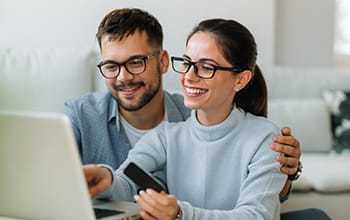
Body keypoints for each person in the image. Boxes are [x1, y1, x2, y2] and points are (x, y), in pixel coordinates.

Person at [64, 8, 301, 200]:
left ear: (164, 62)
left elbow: (258, 203)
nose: (123, 77)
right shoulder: (82, 116)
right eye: (111, 66)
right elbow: (124, 180)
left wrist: (284, 172)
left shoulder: (199, 110)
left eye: (136, 62)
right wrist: (107, 178)